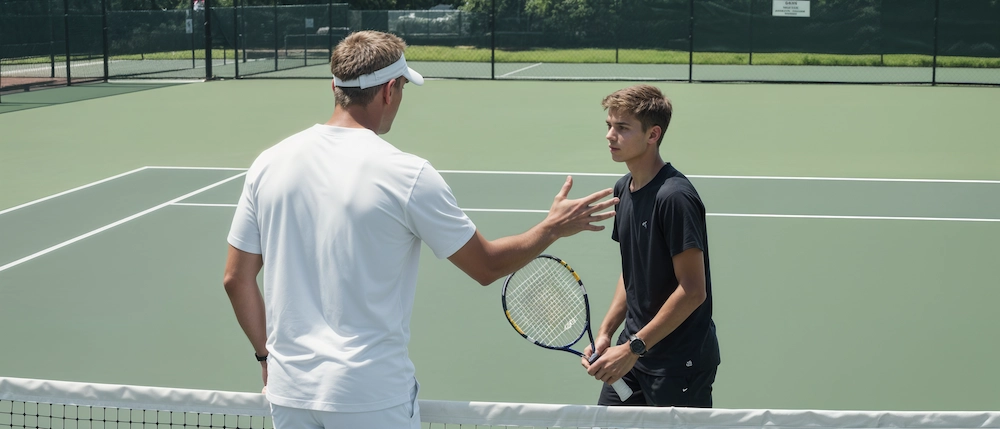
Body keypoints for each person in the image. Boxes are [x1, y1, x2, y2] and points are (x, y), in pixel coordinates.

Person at [222, 30, 618, 429]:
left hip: (290, 394)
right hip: (370, 395)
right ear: (390, 90)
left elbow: (236, 279)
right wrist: (552, 228)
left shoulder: (268, 163)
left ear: (335, 87)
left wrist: (265, 358)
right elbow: (486, 266)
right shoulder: (407, 175)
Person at [581, 84, 720, 408]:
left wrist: (631, 349)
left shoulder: (674, 198)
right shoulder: (624, 189)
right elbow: (632, 273)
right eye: (609, 126)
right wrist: (605, 333)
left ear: (653, 134)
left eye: (622, 128)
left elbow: (693, 291)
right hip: (634, 356)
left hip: (677, 366)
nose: (610, 136)